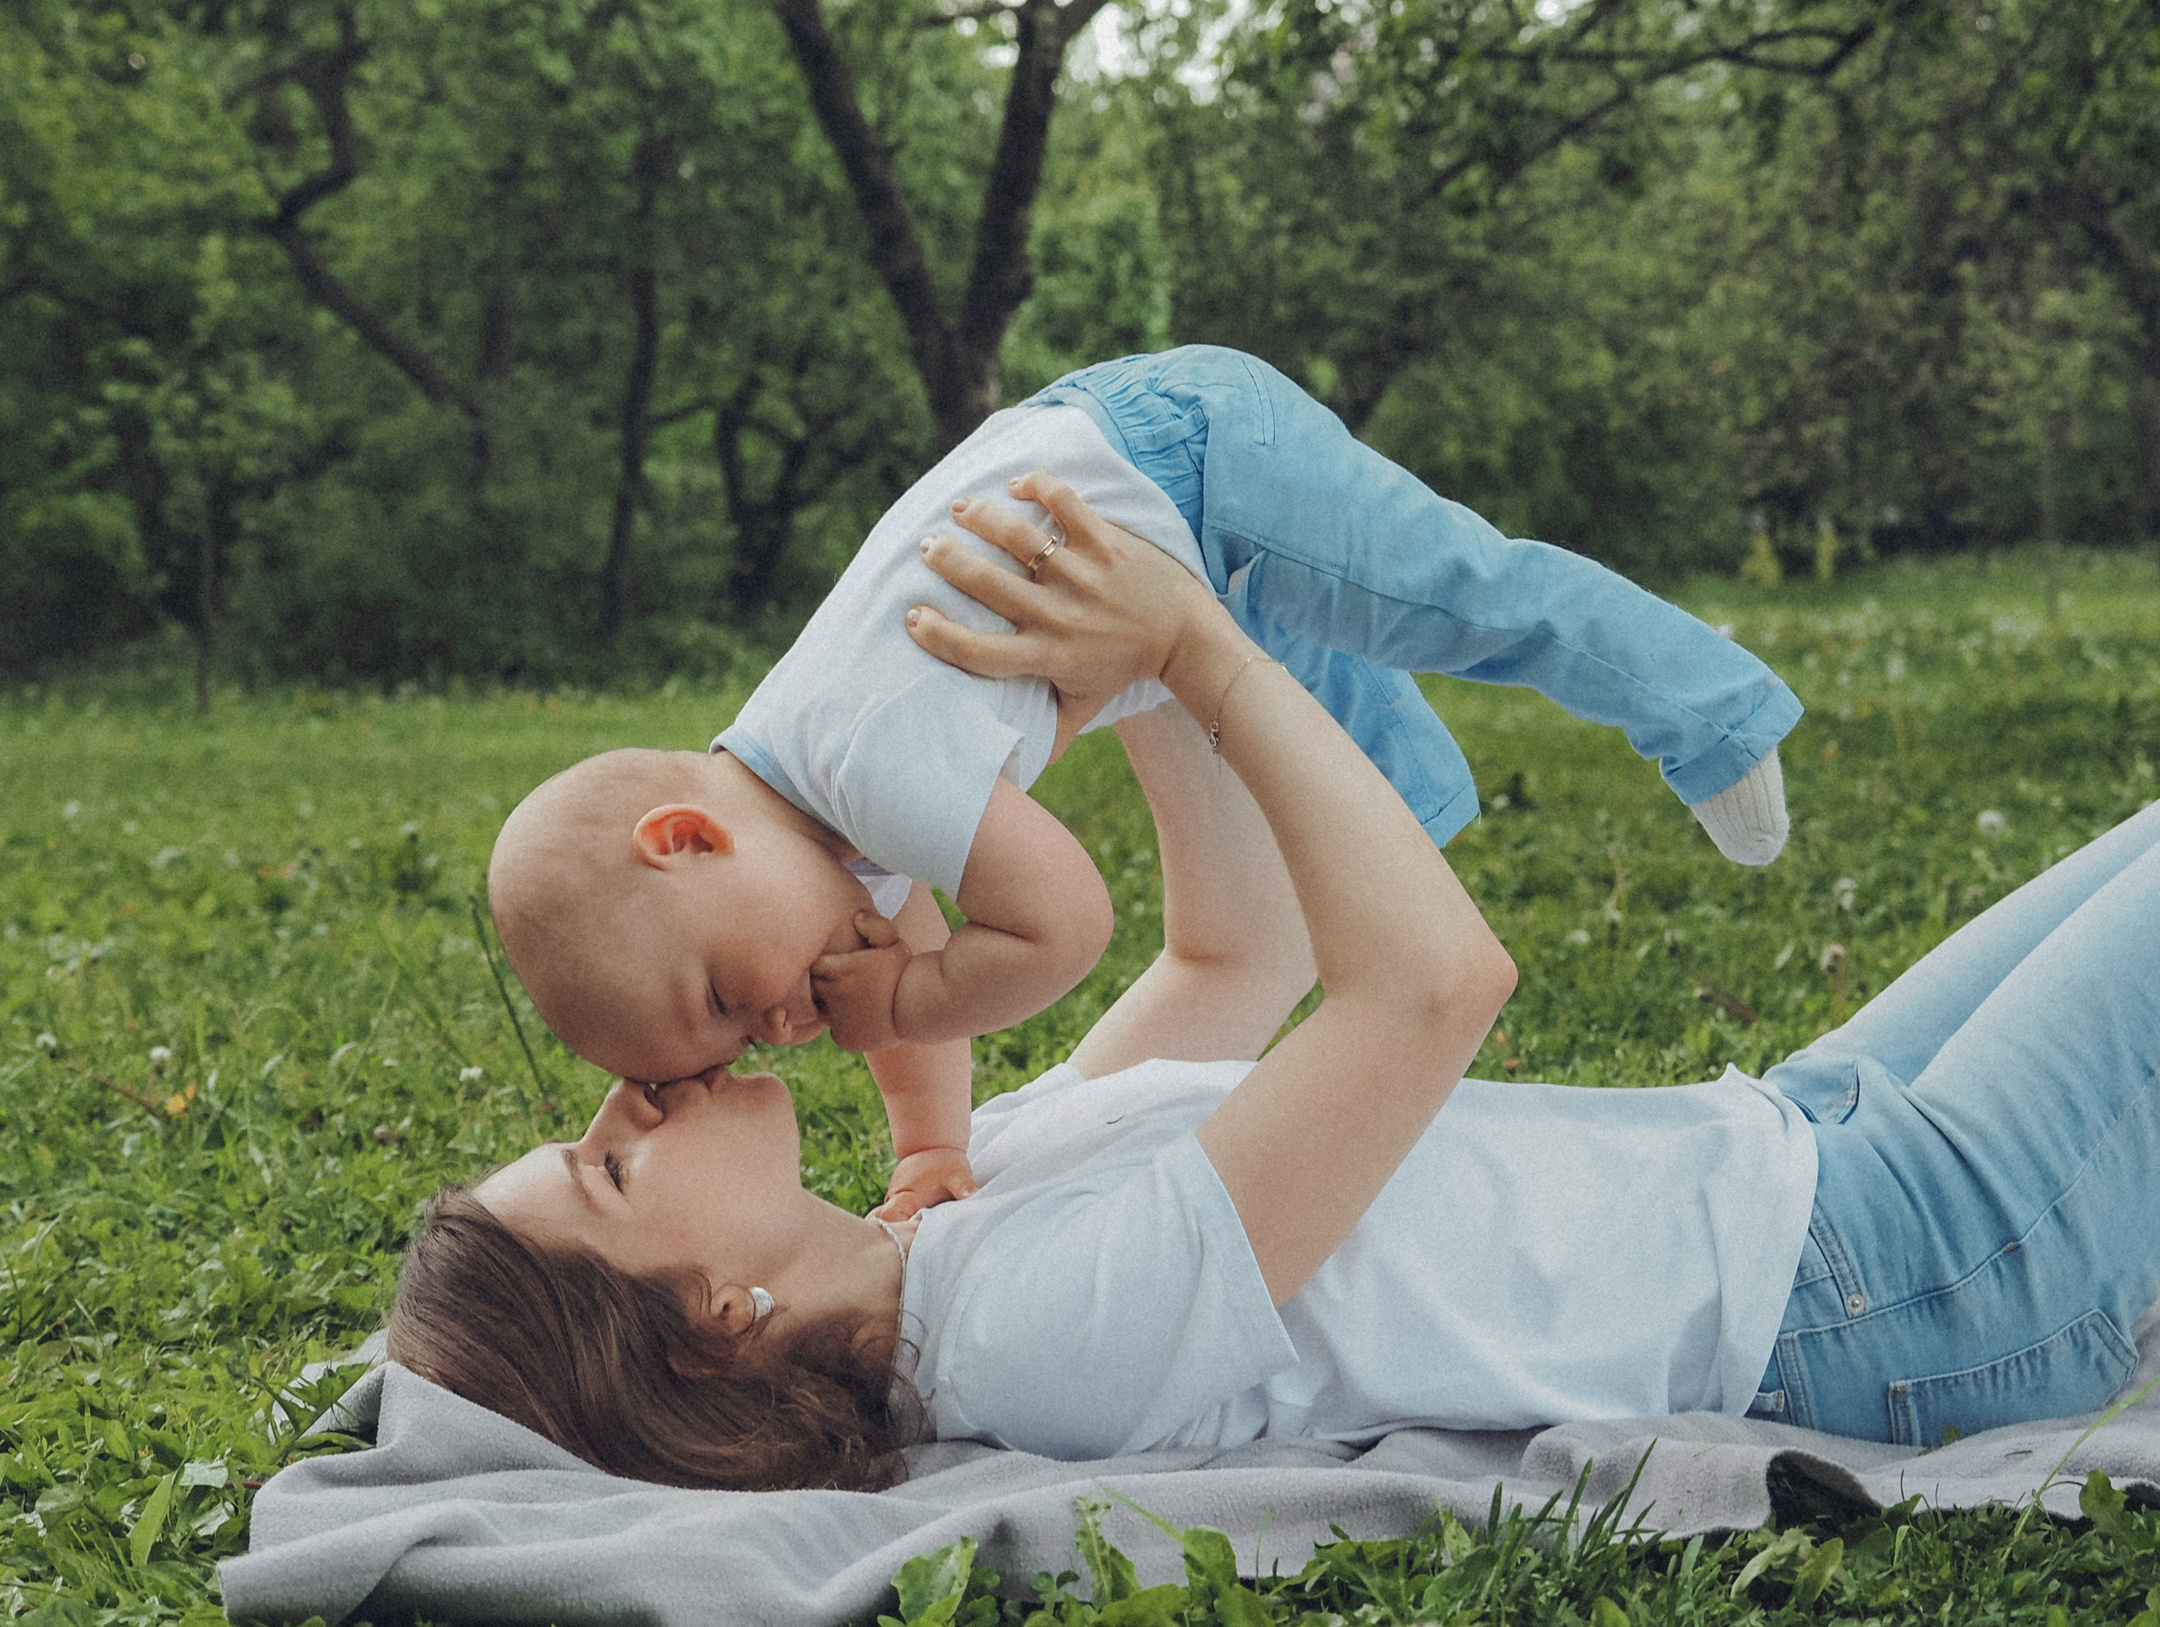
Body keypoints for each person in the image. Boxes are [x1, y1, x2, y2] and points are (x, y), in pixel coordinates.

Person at [393, 481, 2160, 1493]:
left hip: (1806, 1144)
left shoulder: (958, 1218)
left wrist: (1121, 646)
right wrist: (1212, 664)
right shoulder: (1034, 1340)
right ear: (718, 1326)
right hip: (1907, 1286)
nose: (632, 1098)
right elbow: (1422, 988)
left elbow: (1231, 958)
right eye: (597, 1169)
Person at [487, 347, 1801, 1214]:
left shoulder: (866, 755)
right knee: (1334, 745)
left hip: (1193, 466)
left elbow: (1063, 927)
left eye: (724, 994)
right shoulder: (807, 808)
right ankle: (1422, 816)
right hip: (1150, 534)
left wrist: (916, 988)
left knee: (1452, 595)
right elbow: (911, 997)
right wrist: (930, 1147)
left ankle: (1711, 709)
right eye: (733, 1042)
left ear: (685, 839)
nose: (776, 1024)